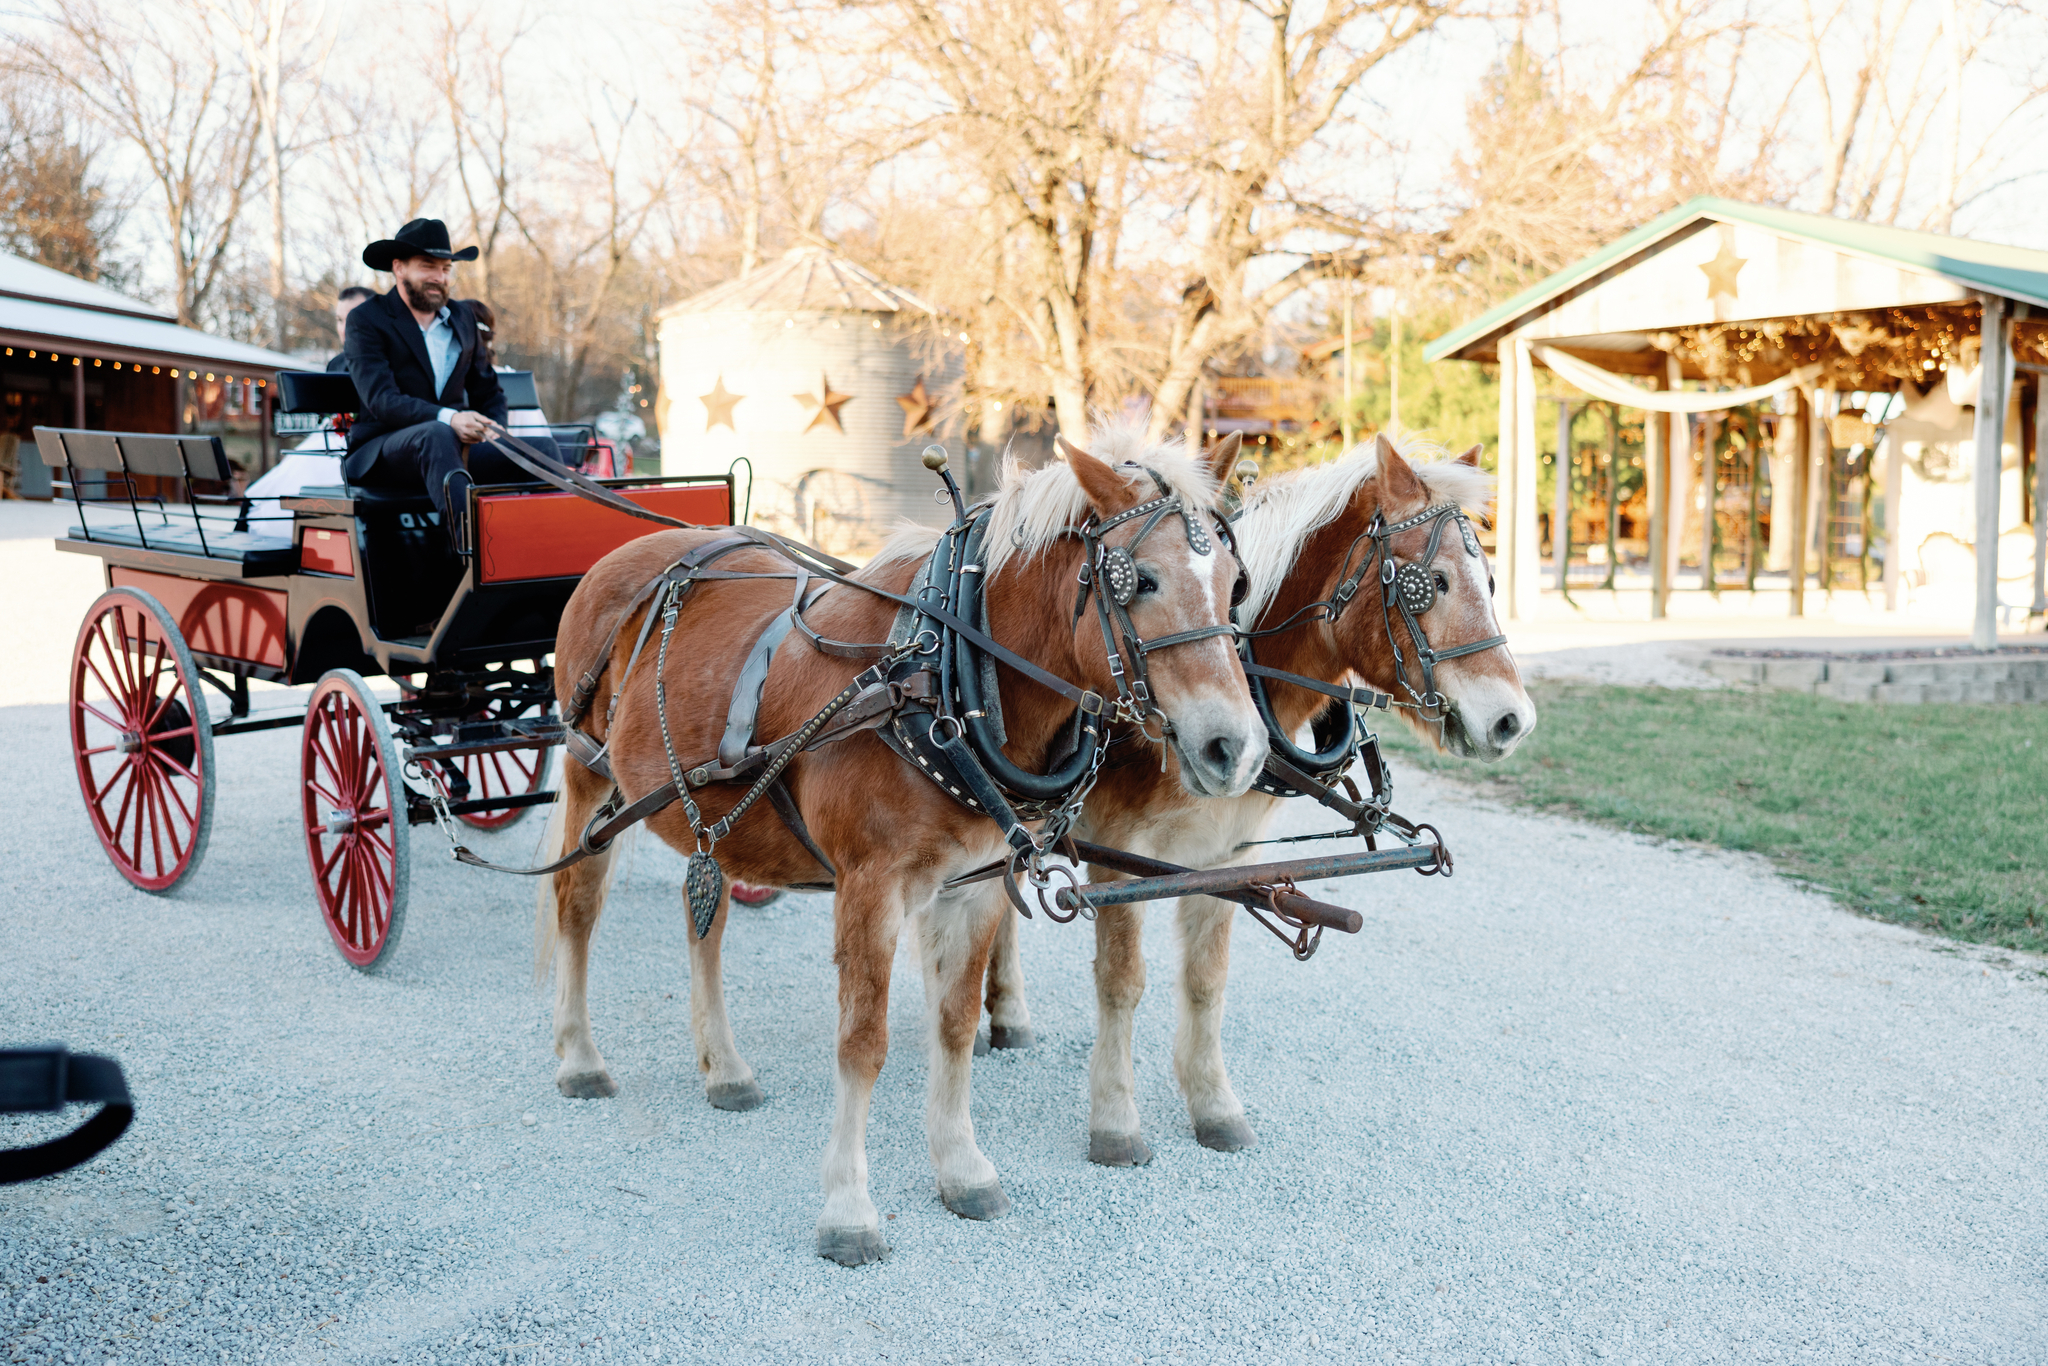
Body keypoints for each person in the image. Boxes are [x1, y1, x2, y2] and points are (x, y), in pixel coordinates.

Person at [342, 218, 549, 549]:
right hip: (384, 452)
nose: (440, 277)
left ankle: (547, 553)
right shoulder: (367, 319)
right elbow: (381, 399)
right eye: (428, 266)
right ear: (399, 268)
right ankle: (478, 557)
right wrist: (450, 418)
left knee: (539, 451)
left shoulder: (463, 318)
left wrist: (494, 429)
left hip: (451, 450)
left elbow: (488, 391)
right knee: (436, 434)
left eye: (446, 268)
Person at [326, 286, 374, 372]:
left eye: (353, 320)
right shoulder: (335, 365)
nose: (343, 330)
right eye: (340, 320)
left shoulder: (397, 365)